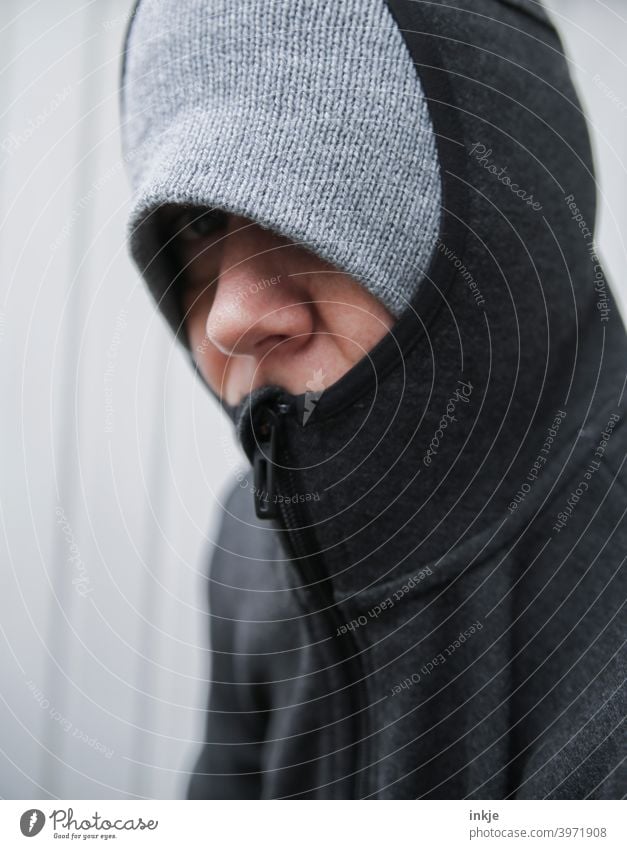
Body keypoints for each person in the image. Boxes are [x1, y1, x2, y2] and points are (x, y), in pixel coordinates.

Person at [119, 0, 627, 799]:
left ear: (500, 209)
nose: (229, 315)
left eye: (311, 192)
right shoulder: (252, 548)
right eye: (201, 223)